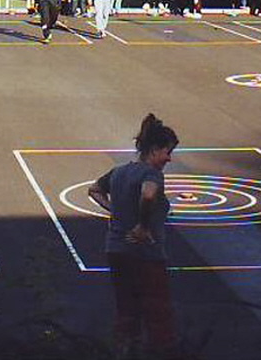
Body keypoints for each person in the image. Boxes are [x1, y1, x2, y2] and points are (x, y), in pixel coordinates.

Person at [88, 114, 180, 360]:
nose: (169, 158)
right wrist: (143, 225)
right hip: (146, 254)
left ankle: (124, 350)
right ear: (154, 149)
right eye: (167, 152)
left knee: (126, 309)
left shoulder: (119, 172)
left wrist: (114, 209)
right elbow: (148, 194)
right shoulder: (152, 174)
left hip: (116, 250)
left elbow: (94, 190)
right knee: (157, 310)